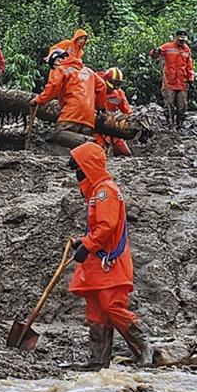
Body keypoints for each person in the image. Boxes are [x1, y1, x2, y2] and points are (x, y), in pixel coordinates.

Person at [65, 143, 151, 369]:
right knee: (95, 309)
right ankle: (98, 360)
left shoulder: (105, 191)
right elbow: (99, 227)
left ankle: (144, 349)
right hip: (98, 260)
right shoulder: (97, 191)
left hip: (109, 260)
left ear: (89, 166)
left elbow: (107, 226)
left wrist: (88, 244)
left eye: (79, 167)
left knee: (112, 306)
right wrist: (83, 242)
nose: (77, 173)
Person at [33, 48, 104, 135]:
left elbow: (53, 86)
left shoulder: (62, 69)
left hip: (71, 114)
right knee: (82, 145)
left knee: (57, 139)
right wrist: (98, 106)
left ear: (58, 60)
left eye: (54, 66)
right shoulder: (89, 71)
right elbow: (102, 86)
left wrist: (39, 100)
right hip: (88, 119)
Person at [150, 29, 194, 129]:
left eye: (183, 40)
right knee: (169, 105)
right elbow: (154, 56)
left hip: (182, 82)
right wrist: (155, 51)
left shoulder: (187, 50)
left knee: (182, 106)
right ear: (176, 38)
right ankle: (170, 125)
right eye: (180, 39)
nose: (182, 42)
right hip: (169, 82)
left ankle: (180, 125)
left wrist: (190, 78)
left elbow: (189, 66)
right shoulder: (167, 47)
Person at [96, 67, 134, 157]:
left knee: (125, 153)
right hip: (96, 126)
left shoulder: (119, 94)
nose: (116, 85)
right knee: (99, 150)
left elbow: (127, 110)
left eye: (118, 83)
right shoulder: (95, 88)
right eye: (115, 82)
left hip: (111, 125)